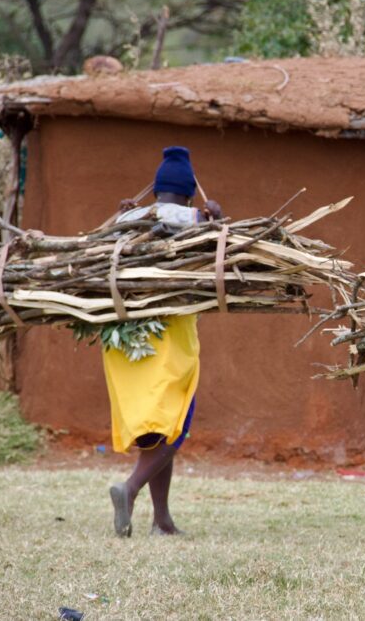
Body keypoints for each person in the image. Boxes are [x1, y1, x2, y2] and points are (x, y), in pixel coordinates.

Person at [105, 146, 222, 537]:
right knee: (174, 426)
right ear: (190, 194)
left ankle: (162, 520)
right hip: (170, 340)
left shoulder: (130, 219)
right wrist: (221, 223)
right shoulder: (197, 221)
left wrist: (121, 218)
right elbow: (229, 258)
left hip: (126, 343)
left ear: (155, 192)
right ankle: (129, 488)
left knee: (155, 428)